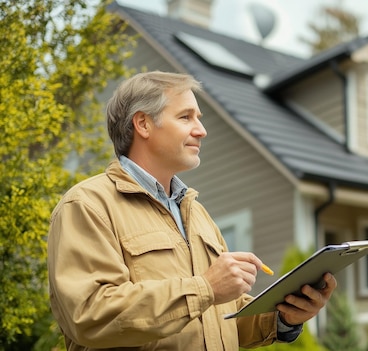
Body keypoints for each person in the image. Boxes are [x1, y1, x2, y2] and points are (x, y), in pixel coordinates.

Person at [47, 71, 337, 350]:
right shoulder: (87, 206)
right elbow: (91, 314)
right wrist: (205, 288)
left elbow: (220, 319)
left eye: (198, 118)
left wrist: (284, 317)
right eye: (186, 117)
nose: (201, 130)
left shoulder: (197, 214)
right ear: (143, 124)